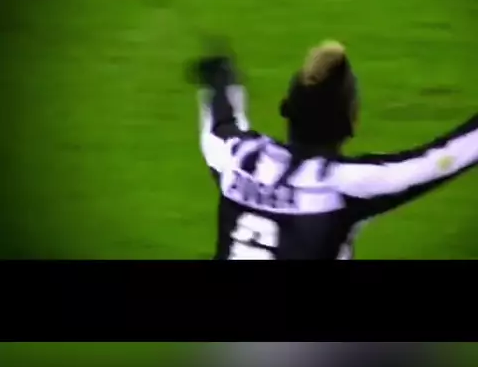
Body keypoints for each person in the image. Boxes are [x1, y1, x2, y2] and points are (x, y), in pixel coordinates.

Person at [188, 41, 477, 259]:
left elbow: (220, 122)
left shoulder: (239, 158)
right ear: (350, 122)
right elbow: (438, 161)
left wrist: (221, 79)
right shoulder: (341, 185)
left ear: (287, 111)